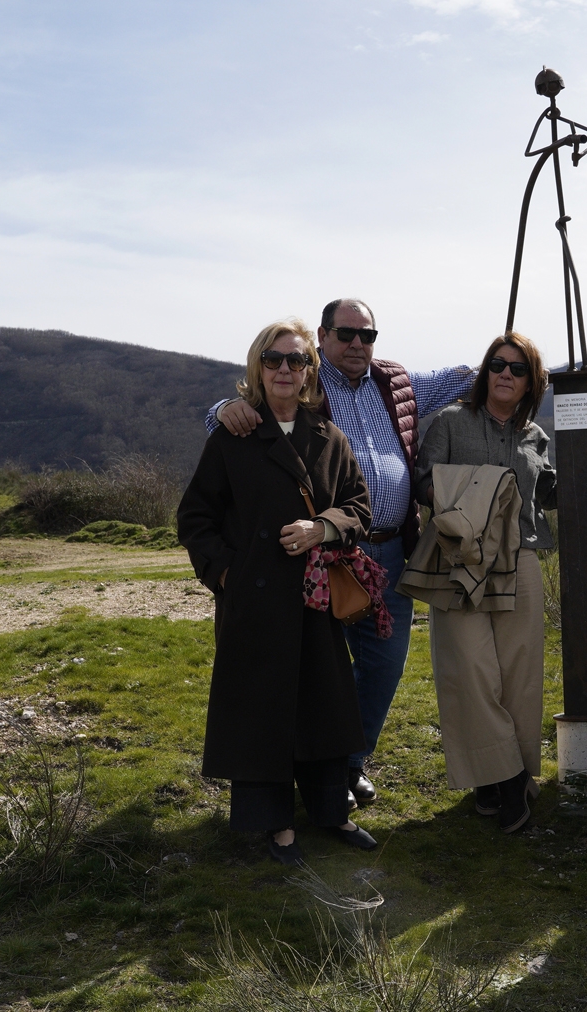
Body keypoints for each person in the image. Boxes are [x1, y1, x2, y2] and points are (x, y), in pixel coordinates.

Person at [204, 299, 475, 808]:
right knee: (315, 671)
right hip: (320, 556)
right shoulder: (303, 376)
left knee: (384, 666)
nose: (357, 345)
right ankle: (311, 776)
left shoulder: (396, 382)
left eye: (367, 335)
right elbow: (239, 416)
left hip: (390, 550)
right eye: (346, 334)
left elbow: (465, 379)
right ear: (323, 337)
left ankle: (348, 764)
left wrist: (530, 368)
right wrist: (220, 408)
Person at [177, 319, 381, 865]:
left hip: (315, 603)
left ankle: (330, 812)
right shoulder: (232, 437)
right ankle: (274, 824)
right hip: (255, 602)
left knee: (324, 706)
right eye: (274, 360)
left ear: (312, 370)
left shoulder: (328, 438)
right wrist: (227, 576)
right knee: (261, 711)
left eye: (296, 360)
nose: (285, 370)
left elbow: (360, 507)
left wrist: (325, 527)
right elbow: (195, 518)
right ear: (257, 368)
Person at [411, 332, 587, 833]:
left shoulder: (535, 435)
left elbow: (548, 492)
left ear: (533, 380)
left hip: (522, 557)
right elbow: (423, 481)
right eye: (497, 364)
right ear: (486, 371)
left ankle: (499, 780)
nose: (506, 374)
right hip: (458, 556)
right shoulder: (449, 422)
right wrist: (471, 497)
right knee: (472, 671)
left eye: (518, 368)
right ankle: (509, 781)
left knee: (519, 676)